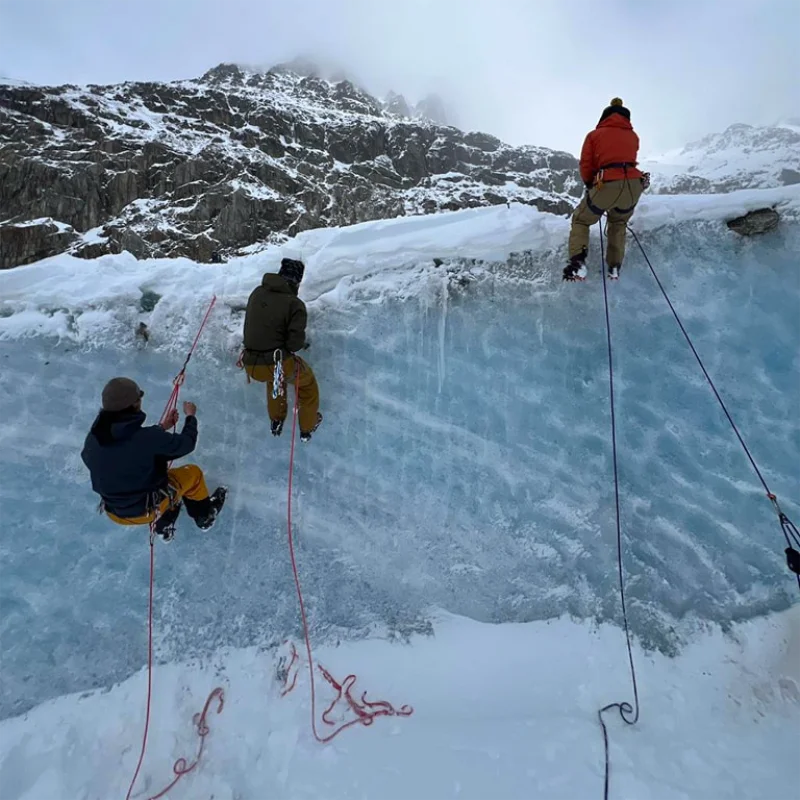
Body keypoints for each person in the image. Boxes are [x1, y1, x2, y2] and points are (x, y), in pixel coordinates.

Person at [81, 377, 227, 540]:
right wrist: (190, 417)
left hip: (113, 511)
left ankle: (164, 524)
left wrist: (161, 428)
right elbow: (186, 444)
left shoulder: (94, 437)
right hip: (145, 511)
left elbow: (126, 447)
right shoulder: (147, 440)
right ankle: (204, 516)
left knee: (156, 479)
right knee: (193, 474)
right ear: (135, 404)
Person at [564, 98, 647, 282]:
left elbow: (586, 164)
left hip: (607, 182)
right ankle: (614, 267)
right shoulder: (633, 136)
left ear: (605, 116)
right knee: (618, 223)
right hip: (633, 185)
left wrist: (589, 184)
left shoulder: (594, 135)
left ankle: (578, 263)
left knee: (581, 220)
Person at [240, 258, 322, 442]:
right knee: (307, 385)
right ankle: (307, 428)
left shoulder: (257, 292)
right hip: (277, 363)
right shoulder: (294, 304)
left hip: (251, 365)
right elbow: (294, 344)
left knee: (275, 380)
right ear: (297, 280)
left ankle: (276, 420)